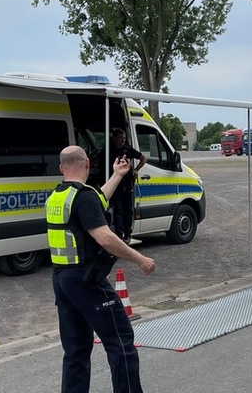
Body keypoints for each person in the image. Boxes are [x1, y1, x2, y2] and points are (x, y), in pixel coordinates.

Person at [46, 145, 155, 392]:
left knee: (76, 350)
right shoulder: (83, 197)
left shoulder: (58, 195)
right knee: (121, 341)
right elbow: (105, 237)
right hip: (87, 280)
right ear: (87, 164)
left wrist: (117, 174)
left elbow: (97, 199)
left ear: (61, 167)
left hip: (62, 280)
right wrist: (140, 259)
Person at [109, 129, 147, 240]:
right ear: (114, 138)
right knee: (117, 210)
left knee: (128, 209)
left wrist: (136, 170)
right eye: (120, 138)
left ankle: (128, 234)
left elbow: (143, 158)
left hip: (127, 183)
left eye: (124, 138)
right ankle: (119, 235)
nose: (122, 141)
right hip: (115, 185)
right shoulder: (109, 149)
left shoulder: (127, 149)